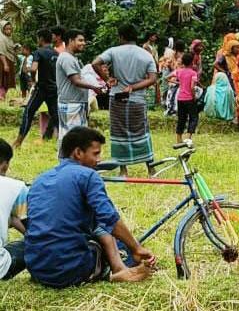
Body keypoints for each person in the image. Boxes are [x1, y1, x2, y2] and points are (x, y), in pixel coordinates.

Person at [25, 127, 156, 287]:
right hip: (69, 269)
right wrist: (136, 248)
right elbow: (110, 219)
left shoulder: (40, 179)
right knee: (123, 249)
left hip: (36, 268)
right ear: (78, 153)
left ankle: (115, 267)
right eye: (95, 153)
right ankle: (113, 272)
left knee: (101, 231)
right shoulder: (88, 175)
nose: (99, 159)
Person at [91, 24, 158, 172]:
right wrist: (134, 87)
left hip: (117, 97)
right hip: (138, 100)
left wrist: (107, 79)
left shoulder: (113, 51)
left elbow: (95, 63)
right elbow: (153, 78)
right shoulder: (146, 54)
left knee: (118, 131)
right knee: (142, 131)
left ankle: (123, 170)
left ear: (121, 37)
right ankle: (151, 169)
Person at [55, 30, 101, 150]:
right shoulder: (67, 59)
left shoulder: (72, 58)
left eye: (83, 40)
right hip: (71, 104)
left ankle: (73, 164)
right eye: (80, 40)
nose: (83, 43)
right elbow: (76, 80)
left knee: (76, 138)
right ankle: (67, 164)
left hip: (75, 103)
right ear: (70, 41)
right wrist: (95, 87)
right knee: (72, 139)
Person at [13, 30, 59, 149]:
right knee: (56, 116)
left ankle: (18, 142)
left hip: (41, 88)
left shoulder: (38, 52)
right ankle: (65, 143)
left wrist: (33, 80)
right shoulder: (56, 53)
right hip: (54, 89)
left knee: (28, 112)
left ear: (41, 39)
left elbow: (33, 69)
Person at [0, 140, 28, 281]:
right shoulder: (16, 187)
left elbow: (12, 218)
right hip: (1, 267)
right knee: (34, 243)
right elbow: (34, 230)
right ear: (5, 164)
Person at [172, 52, 200, 143]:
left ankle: (179, 139)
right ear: (192, 62)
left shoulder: (179, 71)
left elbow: (167, 78)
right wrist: (194, 96)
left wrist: (179, 83)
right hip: (189, 98)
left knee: (181, 118)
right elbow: (192, 87)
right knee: (193, 117)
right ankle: (188, 137)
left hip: (180, 98)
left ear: (183, 62)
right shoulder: (193, 73)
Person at [0, 21, 16, 101]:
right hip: (3, 62)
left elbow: (9, 49)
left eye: (10, 29)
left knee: (7, 81)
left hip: (9, 60)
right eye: (6, 29)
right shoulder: (1, 39)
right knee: (3, 80)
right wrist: (5, 64)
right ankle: (1, 97)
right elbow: (1, 52)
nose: (9, 31)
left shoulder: (8, 38)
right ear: (2, 29)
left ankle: (3, 97)